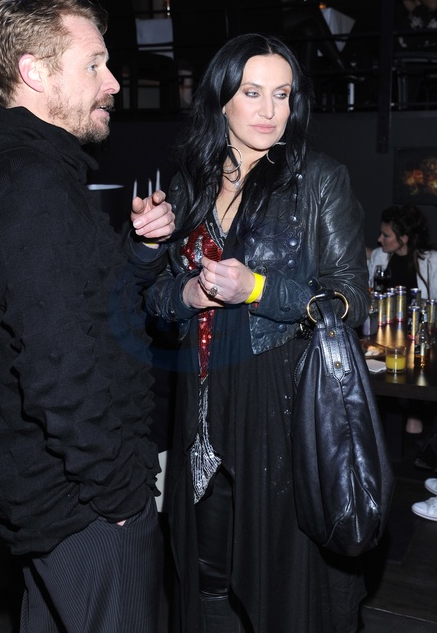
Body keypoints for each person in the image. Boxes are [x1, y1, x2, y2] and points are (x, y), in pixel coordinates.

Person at [135, 32, 370, 632]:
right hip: (199, 410)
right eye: (253, 93)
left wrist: (260, 289)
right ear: (221, 100)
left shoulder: (318, 180)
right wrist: (186, 293)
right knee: (205, 583)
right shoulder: (190, 183)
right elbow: (157, 302)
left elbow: (350, 300)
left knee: (283, 589)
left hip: (279, 410)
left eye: (282, 95)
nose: (270, 110)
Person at [0, 0, 175, 633]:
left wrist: (141, 251)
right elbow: (57, 364)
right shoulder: (32, 183)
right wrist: (118, 493)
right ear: (34, 72)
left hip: (53, 498)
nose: (114, 82)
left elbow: (77, 304)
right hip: (82, 506)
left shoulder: (29, 171)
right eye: (94, 64)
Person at [368, 204, 437, 435]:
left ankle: (414, 413)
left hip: (419, 336)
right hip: (385, 334)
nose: (379, 239)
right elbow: (371, 296)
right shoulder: (379, 257)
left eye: (386, 235)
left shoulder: (431, 261)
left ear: (404, 238)